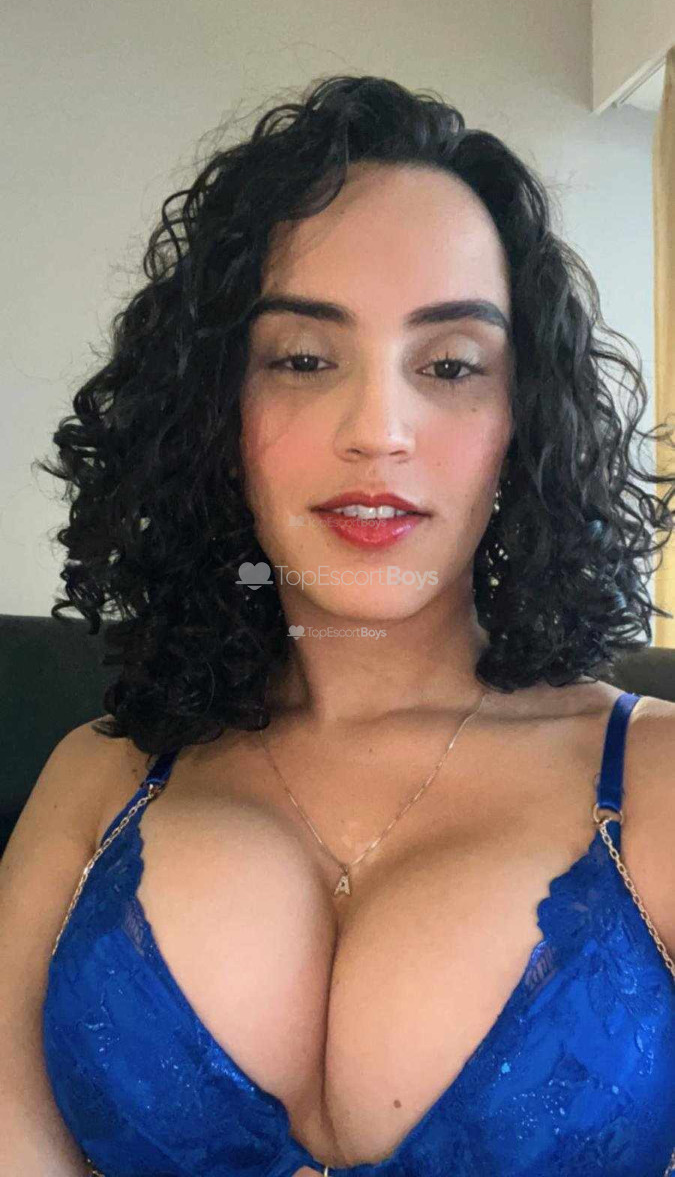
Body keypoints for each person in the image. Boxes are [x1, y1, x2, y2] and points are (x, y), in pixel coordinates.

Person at [2, 74, 675, 1176]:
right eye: (304, 360)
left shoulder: (658, 780)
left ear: (523, 420)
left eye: (449, 366)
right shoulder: (97, 780)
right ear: (216, 409)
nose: (378, 429)